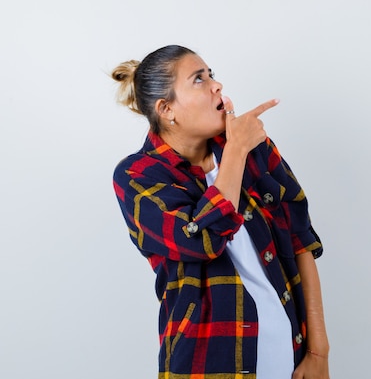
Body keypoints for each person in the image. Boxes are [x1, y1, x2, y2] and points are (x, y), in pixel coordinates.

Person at [111, 45, 330, 379]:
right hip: (206, 366)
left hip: (291, 360)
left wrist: (319, 353)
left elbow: (300, 241)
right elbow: (203, 241)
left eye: (211, 74)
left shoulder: (254, 149)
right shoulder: (137, 176)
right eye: (199, 79)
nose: (217, 86)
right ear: (167, 109)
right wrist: (237, 150)